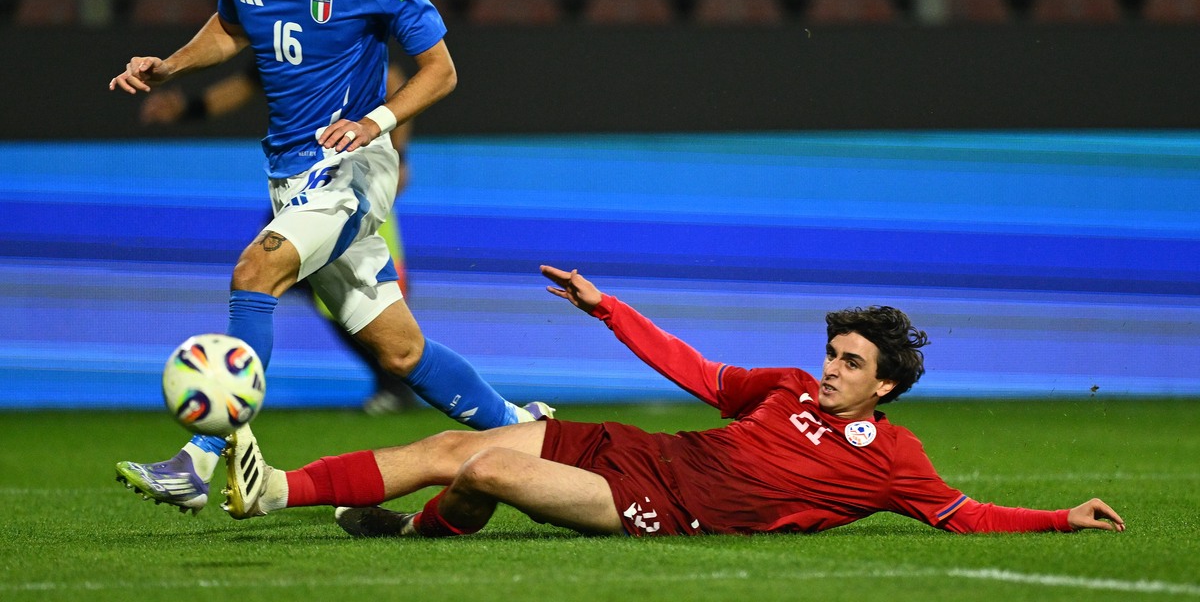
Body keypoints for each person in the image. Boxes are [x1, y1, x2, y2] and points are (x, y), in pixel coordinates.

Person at [108, 0, 551, 516]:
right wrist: (168, 64)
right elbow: (231, 28)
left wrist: (376, 124)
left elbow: (441, 70)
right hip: (289, 176)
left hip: (354, 165)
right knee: (401, 354)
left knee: (256, 270)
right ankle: (525, 431)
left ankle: (197, 462)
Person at [218, 265, 1125, 539]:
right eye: (832, 353)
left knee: (488, 465)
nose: (830, 368)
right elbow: (696, 374)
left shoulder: (894, 458)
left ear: (885, 384)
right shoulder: (787, 388)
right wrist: (610, 309)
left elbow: (962, 517)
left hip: (666, 507)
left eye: (850, 362)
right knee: (458, 441)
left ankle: (422, 534)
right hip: (645, 452)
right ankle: (279, 490)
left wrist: (1060, 518)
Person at [140, 62, 419, 415]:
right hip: (299, 181)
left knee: (364, 285)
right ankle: (236, 390)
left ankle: (400, 381)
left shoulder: (338, 31)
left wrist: (400, 155)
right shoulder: (279, 37)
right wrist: (188, 109)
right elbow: (243, 84)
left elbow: (392, 80)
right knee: (283, 278)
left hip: (351, 180)